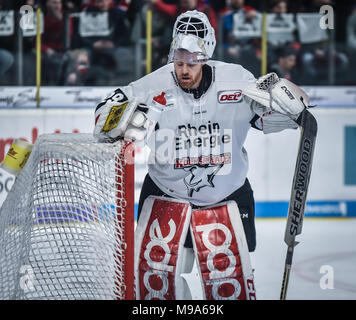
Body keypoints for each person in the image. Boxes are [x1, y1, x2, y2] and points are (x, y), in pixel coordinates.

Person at [94, 10, 310, 300]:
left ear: (206, 56)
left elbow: (264, 118)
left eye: (192, 64)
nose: (184, 70)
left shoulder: (237, 79)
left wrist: (291, 110)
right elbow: (104, 113)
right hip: (165, 194)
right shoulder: (152, 85)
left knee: (229, 285)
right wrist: (121, 120)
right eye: (179, 62)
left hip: (229, 194)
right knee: (157, 284)